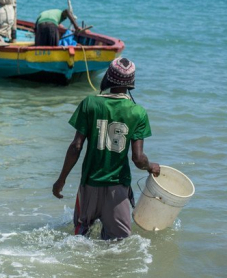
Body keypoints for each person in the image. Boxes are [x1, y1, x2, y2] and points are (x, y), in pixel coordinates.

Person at [52, 57, 161, 240]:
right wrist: (151, 167)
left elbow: (76, 146)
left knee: (80, 236)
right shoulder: (137, 112)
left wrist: (61, 180)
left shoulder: (90, 103)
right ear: (131, 83)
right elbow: (138, 158)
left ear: (108, 78)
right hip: (117, 187)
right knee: (118, 242)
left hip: (89, 184)